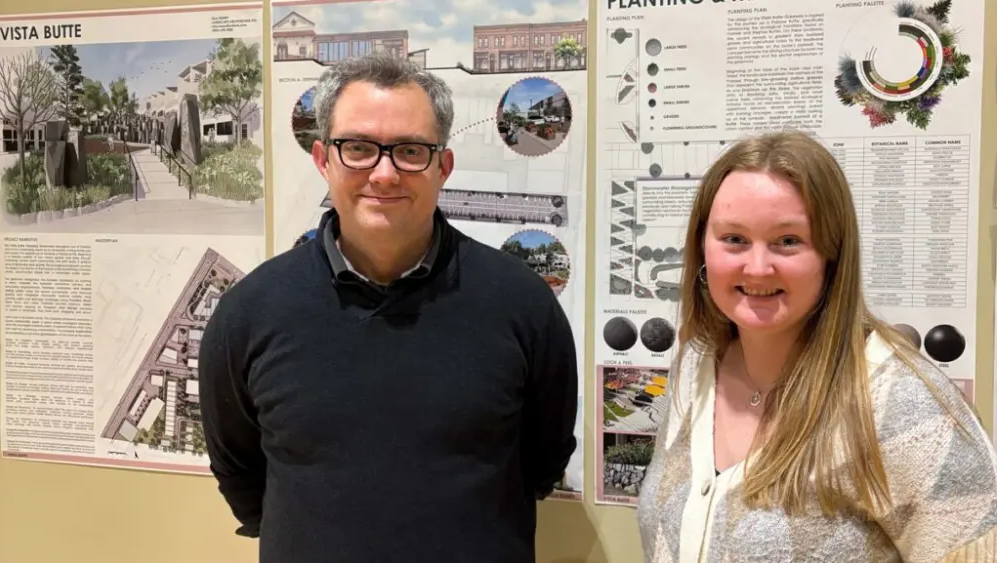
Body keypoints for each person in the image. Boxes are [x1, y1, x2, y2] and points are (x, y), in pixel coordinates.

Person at [198, 51, 578, 563]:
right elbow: (242, 477)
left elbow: (542, 461)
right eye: (358, 148)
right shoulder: (247, 315)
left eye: (410, 151)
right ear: (322, 160)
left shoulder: (523, 304)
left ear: (442, 166)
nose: (383, 174)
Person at [637, 130, 997, 561]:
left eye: (788, 241)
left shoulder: (903, 404)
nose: (757, 266)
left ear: (832, 255)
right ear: (702, 247)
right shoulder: (694, 365)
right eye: (734, 239)